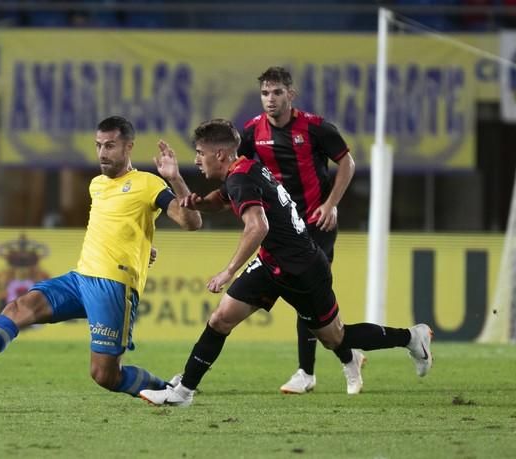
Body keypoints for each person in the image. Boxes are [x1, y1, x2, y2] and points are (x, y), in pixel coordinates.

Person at [139, 119, 432, 407]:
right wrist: (177, 181)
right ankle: (184, 390)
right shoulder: (244, 170)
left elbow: (258, 227)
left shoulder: (240, 178)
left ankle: (410, 337)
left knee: (335, 338)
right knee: (221, 319)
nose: (197, 160)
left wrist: (228, 271)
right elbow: (218, 200)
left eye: (200, 154)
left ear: (220, 155)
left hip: (303, 270)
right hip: (272, 264)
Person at [0, 116, 202, 398]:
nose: (102, 152)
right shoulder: (97, 184)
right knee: (19, 307)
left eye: (110, 145)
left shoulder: (149, 183)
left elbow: (191, 223)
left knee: (105, 375)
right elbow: (117, 225)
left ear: (129, 147)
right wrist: (141, 243)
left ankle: (169, 391)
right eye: (98, 145)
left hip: (114, 285)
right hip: (81, 278)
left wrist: (175, 179)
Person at [239, 66, 359, 395]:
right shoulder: (251, 132)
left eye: (277, 92)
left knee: (309, 295)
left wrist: (331, 203)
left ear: (290, 95)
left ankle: (308, 371)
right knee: (311, 300)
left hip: (316, 223)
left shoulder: (316, 128)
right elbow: (239, 171)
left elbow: (347, 163)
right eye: (265, 93)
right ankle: (349, 357)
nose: (270, 99)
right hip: (283, 229)